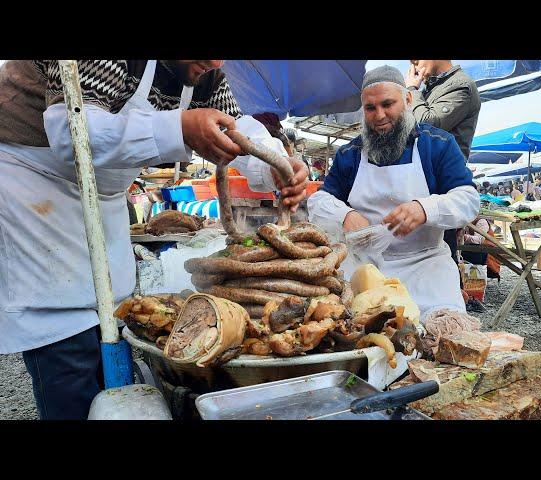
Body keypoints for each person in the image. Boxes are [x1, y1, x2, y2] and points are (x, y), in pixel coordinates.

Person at [0, 60, 310, 420]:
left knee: (117, 316)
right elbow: (72, 130)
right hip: (33, 179)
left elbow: (236, 126)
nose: (215, 63)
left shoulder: (207, 71)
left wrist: (271, 164)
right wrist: (177, 128)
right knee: (64, 324)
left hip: (105, 193)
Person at [308, 65, 480, 320]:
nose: (379, 116)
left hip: (426, 267)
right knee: (348, 330)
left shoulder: (438, 144)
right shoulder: (350, 154)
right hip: (364, 268)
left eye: (388, 104)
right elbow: (318, 201)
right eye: (370, 108)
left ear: (408, 100)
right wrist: (345, 215)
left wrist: (424, 209)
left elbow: (468, 199)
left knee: (441, 336)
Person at [404, 60, 481, 291]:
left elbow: (426, 124)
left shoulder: (461, 86)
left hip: (443, 186)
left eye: (416, 59)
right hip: (426, 183)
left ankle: (452, 314)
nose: (414, 64)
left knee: (441, 252)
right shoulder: (432, 86)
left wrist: (410, 91)